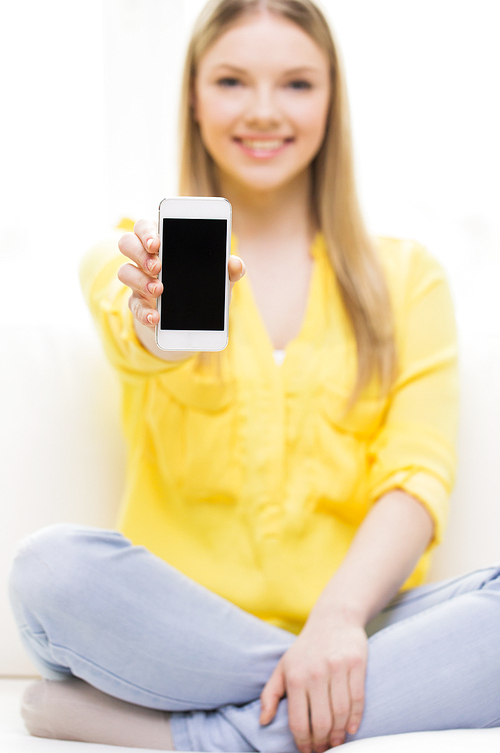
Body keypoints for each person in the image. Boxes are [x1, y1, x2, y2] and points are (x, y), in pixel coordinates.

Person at [8, 0, 500, 750]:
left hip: (353, 621)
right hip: (170, 633)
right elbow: (138, 334)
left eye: (297, 84)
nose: (264, 111)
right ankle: (326, 695)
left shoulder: (408, 278)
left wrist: (335, 622)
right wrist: (156, 316)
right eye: (233, 81)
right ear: (193, 98)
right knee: (50, 568)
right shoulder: (127, 255)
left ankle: (186, 734)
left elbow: (415, 478)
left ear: (332, 98)